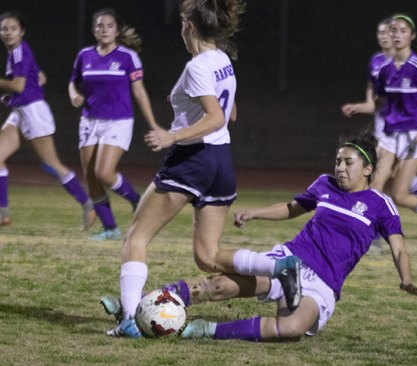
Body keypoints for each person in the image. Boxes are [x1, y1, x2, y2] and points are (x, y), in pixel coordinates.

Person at [102, 131, 417, 341]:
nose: (340, 168)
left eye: (347, 163)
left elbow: (399, 249)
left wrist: (405, 278)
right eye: (337, 161)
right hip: (291, 260)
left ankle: (206, 329)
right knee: (219, 285)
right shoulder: (325, 185)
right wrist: (255, 213)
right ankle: (141, 306)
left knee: (292, 329)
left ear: (367, 170)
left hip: (324, 283)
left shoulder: (381, 205)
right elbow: (291, 207)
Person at [102, 0, 246, 337]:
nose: (181, 29)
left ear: (190, 27)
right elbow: (231, 115)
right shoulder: (223, 60)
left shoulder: (197, 67)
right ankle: (273, 272)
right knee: (208, 258)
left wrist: (173, 135)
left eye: (183, 24)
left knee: (136, 237)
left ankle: (128, 320)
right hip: (222, 160)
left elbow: (215, 117)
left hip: (192, 159)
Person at [349, 14, 417, 246]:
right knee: (376, 185)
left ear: (412, 36)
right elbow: (380, 103)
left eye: (402, 31)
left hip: (416, 135)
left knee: (399, 194)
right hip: (390, 134)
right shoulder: (385, 68)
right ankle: (374, 237)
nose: (397, 35)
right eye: (394, 30)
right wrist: (361, 107)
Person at [68, 8, 159, 240]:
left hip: (118, 121)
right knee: (90, 177)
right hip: (89, 121)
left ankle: (136, 200)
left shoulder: (127, 57)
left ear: (117, 30)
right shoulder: (85, 55)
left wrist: (153, 124)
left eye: (109, 25)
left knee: (104, 173)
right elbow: (73, 82)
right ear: (93, 30)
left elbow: (139, 92)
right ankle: (110, 229)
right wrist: (73, 94)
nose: (104, 29)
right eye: (99, 25)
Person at [0, 11, 95, 229]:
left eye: (13, 28)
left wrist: (18, 93)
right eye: (4, 28)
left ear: (22, 32)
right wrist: (16, 97)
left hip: (33, 112)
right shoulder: (16, 53)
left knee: (51, 164)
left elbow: (19, 85)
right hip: (22, 110)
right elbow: (40, 78)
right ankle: (3, 212)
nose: (8, 32)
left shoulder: (19, 51)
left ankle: (88, 205)